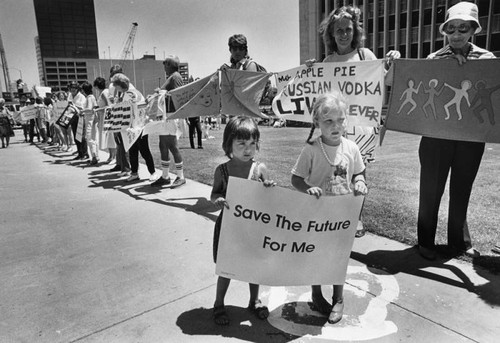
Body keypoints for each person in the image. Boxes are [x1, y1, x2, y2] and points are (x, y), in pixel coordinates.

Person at [306, 5, 400, 238]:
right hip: (336, 127)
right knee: (335, 173)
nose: (344, 34)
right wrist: (309, 71)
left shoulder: (365, 56)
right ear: (331, 34)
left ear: (355, 31)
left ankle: (355, 218)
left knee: (358, 173)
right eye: (339, 30)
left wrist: (393, 62)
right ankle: (336, 217)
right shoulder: (327, 62)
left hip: (362, 127)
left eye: (348, 29)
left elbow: (386, 81)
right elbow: (316, 94)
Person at [417, 2, 496, 261]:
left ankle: (458, 244)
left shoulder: (487, 60)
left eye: (463, 28)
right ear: (445, 31)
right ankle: (425, 242)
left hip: (470, 139)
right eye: (451, 28)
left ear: (473, 28)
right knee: (430, 190)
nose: (457, 34)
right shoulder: (434, 59)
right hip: (435, 138)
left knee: (461, 189)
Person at [291, 91, 368, 324]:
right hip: (317, 216)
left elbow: (359, 171)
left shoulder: (352, 147)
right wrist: (307, 189)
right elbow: (296, 179)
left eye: (340, 120)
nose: (336, 126)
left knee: (339, 257)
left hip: (343, 215)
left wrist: (360, 181)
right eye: (329, 121)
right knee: (316, 256)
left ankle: (338, 298)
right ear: (317, 123)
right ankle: (316, 293)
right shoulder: (311, 149)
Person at [211, 115, 275, 325]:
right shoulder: (222, 171)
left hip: (254, 227)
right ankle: (219, 303)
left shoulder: (259, 169)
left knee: (254, 265)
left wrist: (268, 188)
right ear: (229, 144)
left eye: (252, 144)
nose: (248, 149)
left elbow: (269, 198)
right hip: (230, 227)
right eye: (241, 144)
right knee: (227, 267)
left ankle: (254, 300)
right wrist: (218, 199)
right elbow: (214, 194)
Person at [110, 73, 157, 182]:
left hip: (138, 127)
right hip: (132, 127)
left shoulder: (130, 94)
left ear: (120, 85)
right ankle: (134, 173)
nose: (115, 89)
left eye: (116, 86)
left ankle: (153, 172)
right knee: (132, 151)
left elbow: (137, 108)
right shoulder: (128, 93)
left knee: (144, 151)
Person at [151, 55, 186, 188]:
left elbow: (179, 95)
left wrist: (161, 92)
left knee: (172, 145)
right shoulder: (172, 77)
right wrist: (159, 93)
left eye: (165, 63)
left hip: (171, 115)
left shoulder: (175, 77)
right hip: (166, 115)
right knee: (163, 145)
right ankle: (165, 176)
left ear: (170, 65)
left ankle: (180, 176)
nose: (163, 66)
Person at [107, 65, 131, 176]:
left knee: (124, 143)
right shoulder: (116, 88)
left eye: (114, 75)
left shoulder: (128, 88)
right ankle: (122, 166)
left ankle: (127, 168)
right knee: (119, 143)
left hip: (124, 119)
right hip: (117, 117)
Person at [93, 77, 115, 163]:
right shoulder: (103, 92)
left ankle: (113, 156)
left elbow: (109, 105)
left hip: (107, 117)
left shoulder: (104, 93)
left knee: (109, 136)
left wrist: (98, 109)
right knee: (106, 137)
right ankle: (111, 155)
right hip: (103, 117)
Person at [67, 81, 88, 160]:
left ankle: (85, 153)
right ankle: (80, 153)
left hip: (80, 118)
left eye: (74, 88)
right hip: (72, 118)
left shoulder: (81, 97)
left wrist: (74, 106)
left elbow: (82, 108)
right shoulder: (70, 96)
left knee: (81, 136)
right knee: (76, 137)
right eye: (71, 88)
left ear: (77, 89)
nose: (73, 90)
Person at [81, 81, 99, 164]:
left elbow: (89, 108)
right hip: (93, 119)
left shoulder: (89, 97)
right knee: (94, 138)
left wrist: (81, 111)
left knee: (90, 138)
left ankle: (94, 156)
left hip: (89, 120)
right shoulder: (92, 97)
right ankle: (96, 156)